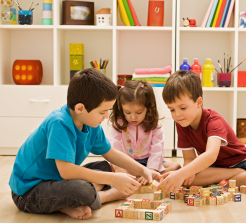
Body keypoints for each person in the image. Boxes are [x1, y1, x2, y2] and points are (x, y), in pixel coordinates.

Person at [9, 68, 160, 220]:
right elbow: (66, 172)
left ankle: (69, 203)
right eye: (102, 112)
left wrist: (143, 170)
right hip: (28, 191)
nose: (106, 116)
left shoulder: (91, 124)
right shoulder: (59, 123)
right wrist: (113, 180)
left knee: (106, 167)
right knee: (83, 190)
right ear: (80, 108)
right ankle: (104, 195)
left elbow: (111, 154)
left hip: (57, 181)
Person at [158, 70, 246, 193]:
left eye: (182, 108)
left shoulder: (213, 120)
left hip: (241, 161)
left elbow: (211, 155)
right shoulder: (182, 122)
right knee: (190, 179)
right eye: (172, 110)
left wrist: (182, 174)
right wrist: (186, 173)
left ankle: (229, 177)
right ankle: (235, 175)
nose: (177, 114)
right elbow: (189, 158)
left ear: (198, 102)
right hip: (215, 167)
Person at [108, 80, 180, 175]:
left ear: (148, 108)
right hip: (129, 162)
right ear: (121, 108)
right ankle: (141, 176)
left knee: (174, 167)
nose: (133, 117)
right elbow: (114, 145)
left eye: (139, 112)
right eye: (128, 112)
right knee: (110, 168)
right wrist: (119, 167)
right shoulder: (120, 123)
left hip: (149, 161)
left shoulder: (154, 125)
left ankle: (145, 175)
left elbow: (157, 150)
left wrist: (151, 170)